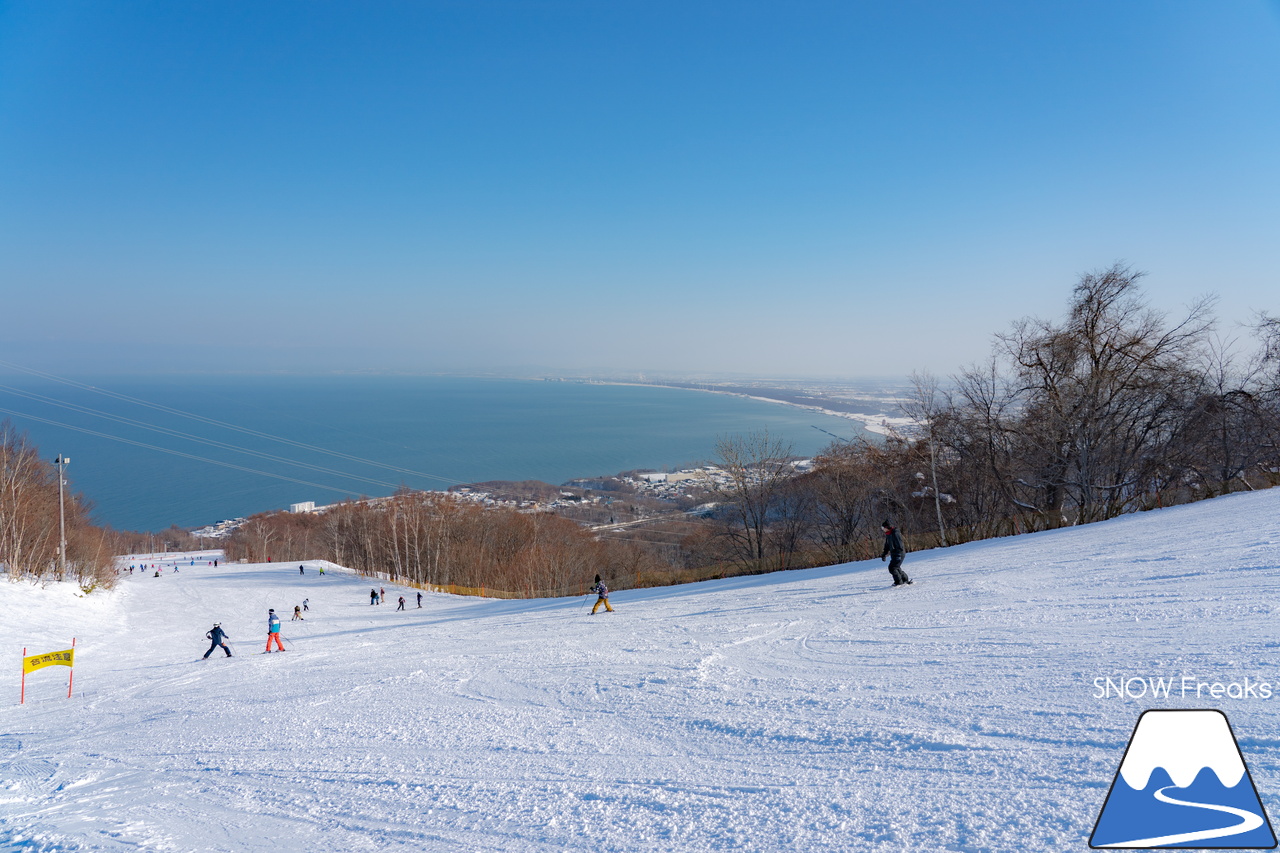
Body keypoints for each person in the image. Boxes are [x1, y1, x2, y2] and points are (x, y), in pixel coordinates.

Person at [881, 520, 912, 586]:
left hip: (899, 553)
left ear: (887, 527)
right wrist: (884, 554)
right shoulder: (888, 534)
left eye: (883, 528)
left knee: (892, 568)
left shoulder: (895, 533)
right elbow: (887, 545)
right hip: (894, 553)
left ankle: (898, 582)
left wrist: (898, 553)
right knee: (896, 567)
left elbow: (899, 544)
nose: (882, 529)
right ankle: (904, 580)